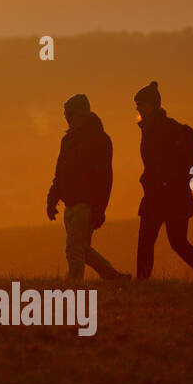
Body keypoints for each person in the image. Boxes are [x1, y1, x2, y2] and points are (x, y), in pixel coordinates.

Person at [133, 81, 193, 281]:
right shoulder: (164, 129)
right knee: (178, 243)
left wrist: (158, 184)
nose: (137, 109)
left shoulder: (157, 130)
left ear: (151, 106)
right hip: (174, 196)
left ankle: (143, 283)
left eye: (140, 105)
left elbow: (159, 165)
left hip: (160, 197)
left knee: (149, 242)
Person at [47, 94, 130, 281]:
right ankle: (113, 276)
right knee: (81, 248)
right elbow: (60, 173)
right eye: (66, 115)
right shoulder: (67, 141)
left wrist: (99, 209)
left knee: (74, 248)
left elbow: (105, 178)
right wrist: (52, 198)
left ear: (83, 115)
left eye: (71, 115)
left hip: (86, 205)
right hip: (70, 206)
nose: (68, 119)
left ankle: (74, 285)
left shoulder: (100, 140)